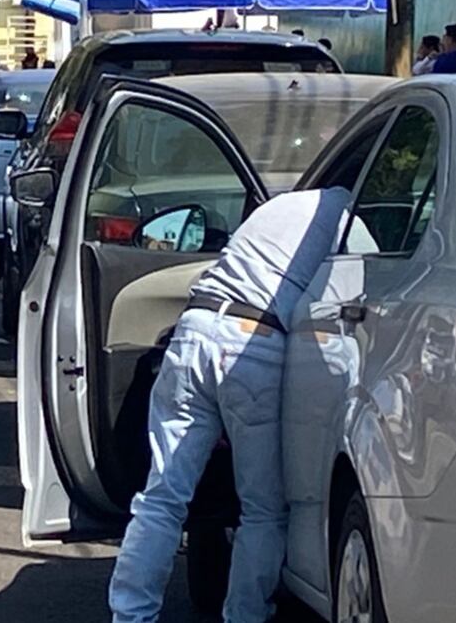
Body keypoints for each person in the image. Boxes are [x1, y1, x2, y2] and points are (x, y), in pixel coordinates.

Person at [108, 187, 354, 623]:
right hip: (255, 344)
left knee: (161, 498)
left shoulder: (281, 206)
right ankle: (245, 615)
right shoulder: (352, 224)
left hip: (193, 329)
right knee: (261, 509)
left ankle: (129, 615)